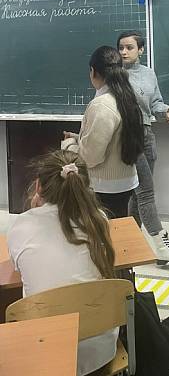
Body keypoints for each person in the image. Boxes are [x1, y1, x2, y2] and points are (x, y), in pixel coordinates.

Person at [7, 150, 118, 376]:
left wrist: (34, 212)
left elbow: (19, 267)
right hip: (100, 353)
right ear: (86, 187)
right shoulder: (99, 220)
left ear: (38, 187)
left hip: (44, 354)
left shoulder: (21, 226)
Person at [117, 31, 169, 264]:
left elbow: (155, 102)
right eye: (121, 48)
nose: (124, 52)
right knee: (146, 192)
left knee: (138, 194)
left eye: (129, 47)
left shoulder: (148, 73)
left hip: (147, 134)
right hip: (128, 134)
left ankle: (129, 246)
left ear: (140, 50)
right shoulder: (115, 75)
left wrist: (165, 110)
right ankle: (162, 246)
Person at [62, 45, 144, 218]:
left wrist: (69, 145)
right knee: (117, 228)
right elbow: (115, 140)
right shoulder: (126, 97)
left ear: (93, 71)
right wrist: (77, 137)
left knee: (103, 231)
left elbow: (91, 157)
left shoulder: (102, 105)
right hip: (124, 182)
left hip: (104, 187)